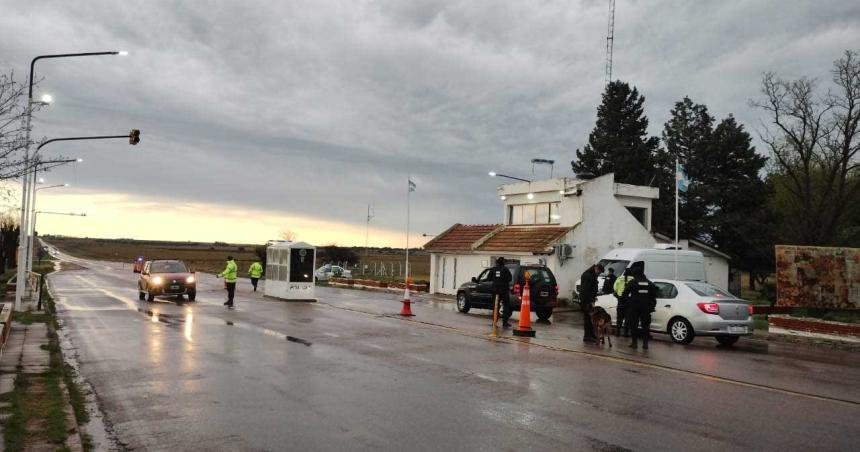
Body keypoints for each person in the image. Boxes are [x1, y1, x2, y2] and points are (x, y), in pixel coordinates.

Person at [621, 265, 658, 350]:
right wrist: (651, 306)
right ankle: (645, 344)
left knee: (634, 325)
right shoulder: (650, 283)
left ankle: (634, 343)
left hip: (634, 308)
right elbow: (654, 297)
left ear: (635, 274)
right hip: (646, 308)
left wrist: (627, 302)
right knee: (645, 326)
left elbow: (624, 294)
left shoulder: (633, 282)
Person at [579, 263, 604, 342]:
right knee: (588, 319)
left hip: (589, 300)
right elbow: (585, 290)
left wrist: (593, 297)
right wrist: (589, 301)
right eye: (599, 272)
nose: (599, 274)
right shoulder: (588, 275)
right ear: (596, 268)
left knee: (590, 318)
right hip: (586, 301)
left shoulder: (592, 274)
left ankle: (591, 335)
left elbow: (591, 289)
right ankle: (587, 336)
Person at [488, 257, 513, 328]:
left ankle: (494, 322)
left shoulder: (493, 269)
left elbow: (489, 278)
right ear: (503, 262)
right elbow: (510, 278)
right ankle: (505, 322)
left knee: (496, 306)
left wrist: (496, 279)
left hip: (495, 291)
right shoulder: (505, 269)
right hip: (504, 291)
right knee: (506, 306)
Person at [613, 267, 636, 337]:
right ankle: (626, 333)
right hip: (629, 301)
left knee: (619, 317)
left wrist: (618, 296)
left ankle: (618, 331)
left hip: (620, 300)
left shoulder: (619, 279)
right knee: (628, 317)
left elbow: (614, 288)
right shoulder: (633, 279)